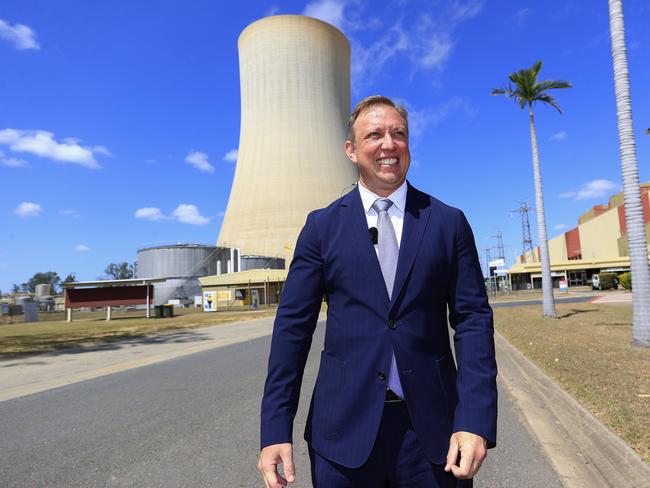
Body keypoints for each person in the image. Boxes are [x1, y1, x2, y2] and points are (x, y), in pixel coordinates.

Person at [258, 95, 497, 487]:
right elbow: (292, 331)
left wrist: (474, 420)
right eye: (374, 135)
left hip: (434, 435)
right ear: (351, 150)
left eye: (398, 134)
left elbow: (472, 322)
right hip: (342, 435)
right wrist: (274, 430)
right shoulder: (321, 228)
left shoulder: (447, 223)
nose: (388, 144)